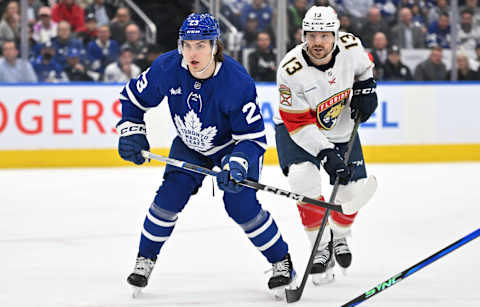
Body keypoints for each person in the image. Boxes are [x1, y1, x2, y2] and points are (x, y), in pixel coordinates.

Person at [117, 13, 296, 297]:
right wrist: (131, 130)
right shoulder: (167, 67)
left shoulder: (237, 81)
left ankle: (281, 262)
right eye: (187, 45)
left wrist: (236, 165)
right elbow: (132, 99)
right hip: (190, 144)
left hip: (233, 149)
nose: (193, 52)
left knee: (240, 207)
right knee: (168, 199)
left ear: (215, 46)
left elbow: (252, 140)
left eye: (201, 45)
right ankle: (145, 259)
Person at [274, 6, 377, 284]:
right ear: (303, 35)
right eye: (311, 35)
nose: (317, 42)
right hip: (297, 128)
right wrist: (326, 153)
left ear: (335, 35)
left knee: (351, 191)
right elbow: (298, 124)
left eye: (324, 35)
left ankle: (339, 236)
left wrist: (367, 89)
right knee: (302, 179)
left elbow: (365, 68)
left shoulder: (351, 45)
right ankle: (320, 248)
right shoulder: (290, 69)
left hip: (340, 125)